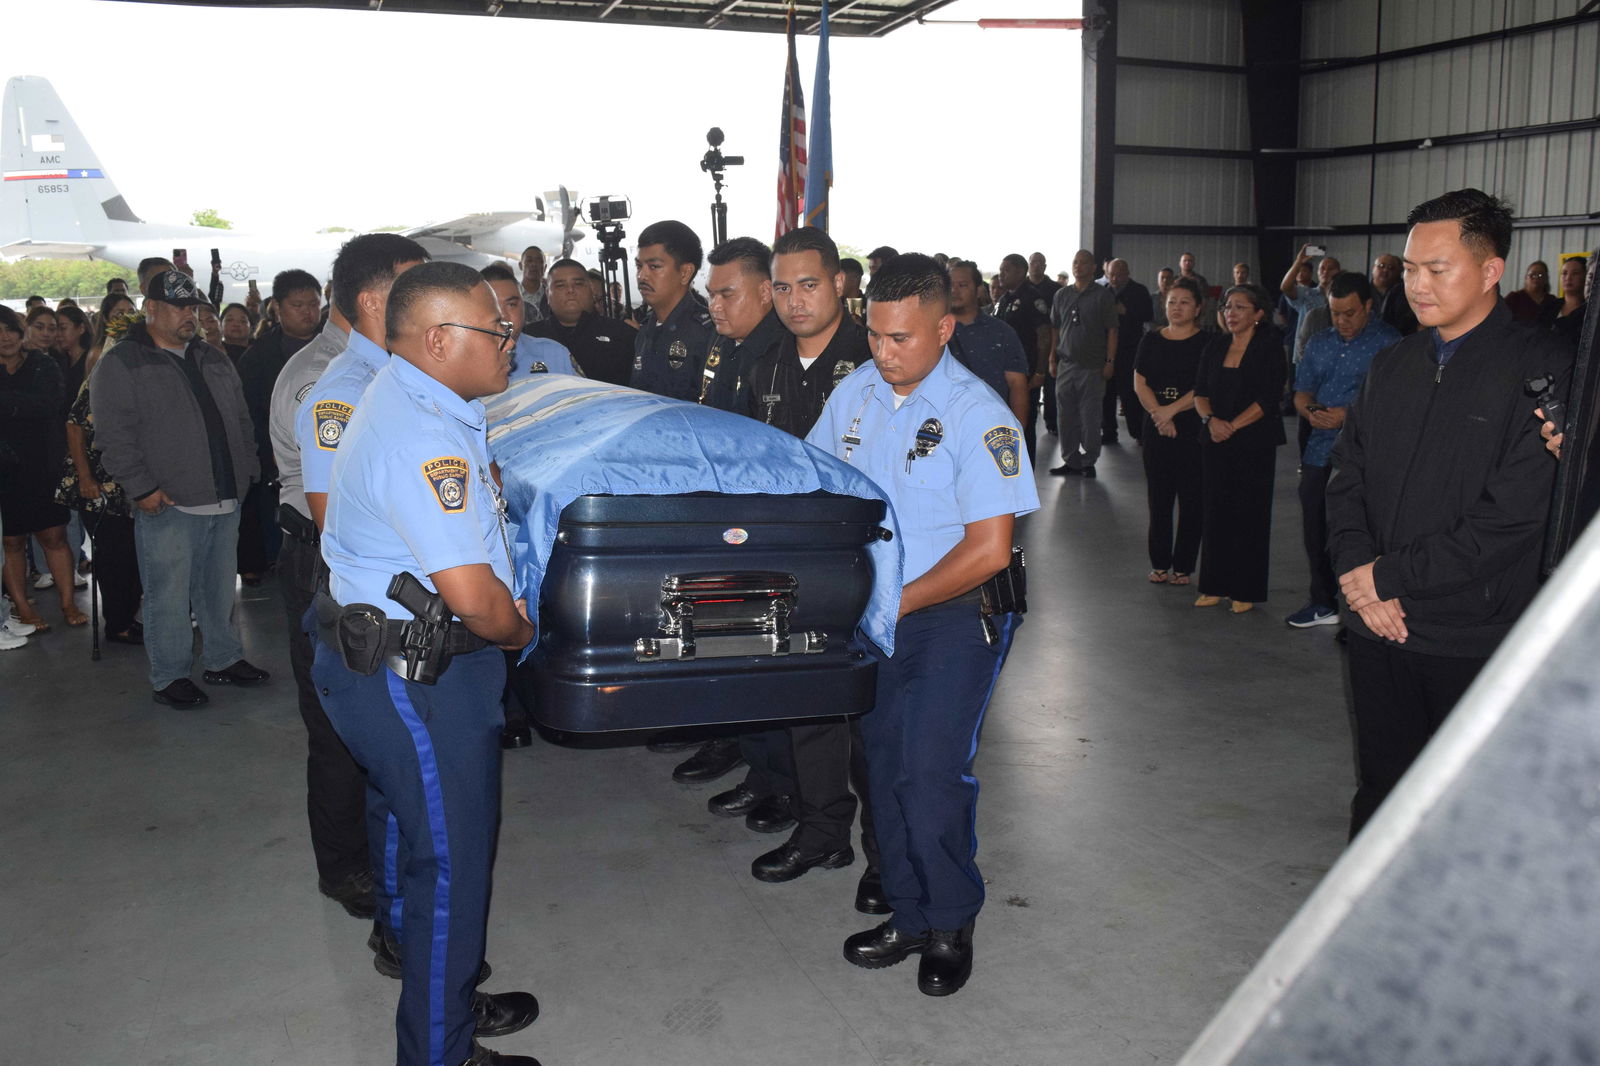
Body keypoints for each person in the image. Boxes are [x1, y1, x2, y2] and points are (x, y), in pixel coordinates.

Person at [312, 261, 541, 1066]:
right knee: (450, 868)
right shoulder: (422, 435)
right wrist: (520, 634)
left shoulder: (416, 398)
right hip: (419, 678)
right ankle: (441, 1052)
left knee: (419, 844)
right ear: (441, 340)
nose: (510, 339)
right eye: (495, 329)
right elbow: (477, 599)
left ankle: (440, 995)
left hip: (391, 663)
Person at [809, 253, 1038, 997]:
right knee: (880, 765)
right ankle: (908, 913)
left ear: (943, 329)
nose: (884, 351)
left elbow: (988, 550)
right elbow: (816, 481)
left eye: (901, 338)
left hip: (950, 614)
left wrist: (895, 600)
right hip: (878, 612)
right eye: (874, 334)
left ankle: (949, 921)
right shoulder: (856, 395)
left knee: (930, 771)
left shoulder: (980, 417)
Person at [1327, 188, 1564, 839]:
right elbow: (1346, 479)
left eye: (1438, 268)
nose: (1418, 285)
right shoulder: (1391, 365)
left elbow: (1514, 517)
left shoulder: (1541, 370)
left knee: (1467, 811)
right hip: (1377, 626)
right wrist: (1358, 573)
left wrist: (1389, 578)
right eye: (1409, 268)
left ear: (1491, 271)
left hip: (1470, 635)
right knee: (1382, 790)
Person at [732, 226, 881, 906]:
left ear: (841, 283)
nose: (795, 301)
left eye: (810, 285)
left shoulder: (879, 359)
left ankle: (888, 858)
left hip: (872, 562)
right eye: (784, 288)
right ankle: (824, 830)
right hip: (794, 564)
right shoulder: (765, 365)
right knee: (807, 706)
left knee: (879, 726)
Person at [93, 270, 269, 707]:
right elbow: (113, 436)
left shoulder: (212, 356)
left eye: (194, 308)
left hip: (225, 495)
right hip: (168, 501)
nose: (189, 316)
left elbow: (241, 419)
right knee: (167, 595)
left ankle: (222, 659)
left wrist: (246, 471)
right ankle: (169, 676)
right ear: (150, 308)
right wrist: (142, 488)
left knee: (216, 588)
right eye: (179, 307)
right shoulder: (123, 362)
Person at [268, 278, 377, 922]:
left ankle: (367, 851)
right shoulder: (325, 377)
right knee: (336, 721)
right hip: (325, 557)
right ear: (372, 296)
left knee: (364, 717)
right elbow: (336, 493)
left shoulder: (366, 365)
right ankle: (345, 868)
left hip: (342, 554)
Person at [1286, 272, 1399, 630]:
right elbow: (1301, 392)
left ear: (1368, 306)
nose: (1343, 321)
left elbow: (1397, 404)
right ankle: (1322, 601)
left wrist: (1346, 417)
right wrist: (1310, 412)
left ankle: (1360, 605)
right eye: (1336, 313)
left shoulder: (1391, 344)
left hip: (1369, 456)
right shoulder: (1320, 342)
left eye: (1350, 312)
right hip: (1319, 451)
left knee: (1361, 531)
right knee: (1315, 528)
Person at [297, 234, 430, 533]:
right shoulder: (346, 395)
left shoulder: (405, 373)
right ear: (371, 303)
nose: (430, 299)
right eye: (415, 288)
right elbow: (336, 523)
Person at [1192, 285, 1286, 614]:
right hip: (1215, 438)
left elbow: (1267, 398)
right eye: (1228, 307)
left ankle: (1245, 588)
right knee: (1215, 511)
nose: (1231, 313)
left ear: (1258, 314)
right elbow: (1200, 392)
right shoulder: (1215, 345)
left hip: (1254, 442)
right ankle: (1213, 585)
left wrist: (1231, 425)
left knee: (1249, 515)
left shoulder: (1270, 347)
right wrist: (1210, 421)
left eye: (1240, 308)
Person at [56, 314, 145, 645]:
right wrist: (84, 476)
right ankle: (118, 624)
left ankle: (128, 616)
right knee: (114, 558)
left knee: (134, 557)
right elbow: (74, 425)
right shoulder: (106, 374)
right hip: (100, 483)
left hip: (130, 482)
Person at [236, 271, 323, 586]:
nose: (307, 312)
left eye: (313, 304)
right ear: (277, 307)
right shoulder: (258, 357)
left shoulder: (337, 349)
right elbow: (249, 413)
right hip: (276, 457)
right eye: (298, 305)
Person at [1, 306, 80, 631]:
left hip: (42, 465)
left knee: (54, 537)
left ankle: (68, 603)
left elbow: (49, 404)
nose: (4, 338)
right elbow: (31, 405)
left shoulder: (42, 364)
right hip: (4, 470)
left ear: (21, 333)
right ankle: (23, 607)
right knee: (12, 543)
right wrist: (20, 403)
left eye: (9, 330)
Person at [1132, 278, 1207, 585]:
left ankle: (1184, 567)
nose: (1177, 308)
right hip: (1157, 429)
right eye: (1172, 302)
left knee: (1191, 500)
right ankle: (1160, 563)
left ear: (1198, 308)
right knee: (1159, 499)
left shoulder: (1207, 343)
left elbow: (1203, 387)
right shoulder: (1151, 339)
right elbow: (1140, 381)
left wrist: (1170, 411)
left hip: (1192, 428)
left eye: (1184, 302)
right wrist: (1158, 415)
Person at [1048, 249, 1118, 478]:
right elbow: (1055, 330)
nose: (1078, 266)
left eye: (1084, 262)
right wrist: (1052, 358)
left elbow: (1112, 331)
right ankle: (1071, 460)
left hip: (1093, 366)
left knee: (1090, 418)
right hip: (1066, 364)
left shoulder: (1103, 295)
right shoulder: (1061, 295)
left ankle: (1089, 460)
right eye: (1075, 262)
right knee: (1065, 417)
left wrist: (1109, 361)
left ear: (1093, 267)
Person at [630, 220, 716, 401]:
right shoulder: (645, 328)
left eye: (654, 267)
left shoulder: (708, 333)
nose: (641, 276)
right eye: (639, 266)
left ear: (685, 273)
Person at [701, 236, 786, 412]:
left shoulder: (787, 350)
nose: (714, 306)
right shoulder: (718, 338)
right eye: (711, 295)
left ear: (764, 292)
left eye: (727, 295)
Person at [526, 259, 636, 386]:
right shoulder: (529, 338)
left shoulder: (622, 334)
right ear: (547, 294)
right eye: (561, 285)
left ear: (591, 290)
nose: (570, 290)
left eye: (578, 284)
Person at [948, 261, 1030, 426]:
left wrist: (1016, 436)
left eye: (962, 285)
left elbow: (1017, 384)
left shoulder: (1002, 333)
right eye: (949, 285)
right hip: (942, 430)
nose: (954, 291)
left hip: (990, 428)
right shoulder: (931, 331)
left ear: (979, 290)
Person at [992, 253, 1053, 464]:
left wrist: (1040, 371)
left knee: (1023, 425)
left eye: (1006, 270)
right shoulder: (1003, 300)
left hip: (1025, 373)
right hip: (1001, 374)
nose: (1001, 274)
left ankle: (1025, 473)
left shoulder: (1032, 298)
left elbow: (1044, 336)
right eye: (1000, 269)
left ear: (1020, 271)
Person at [479, 264, 579, 380]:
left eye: (511, 305)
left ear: (523, 307)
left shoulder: (555, 355)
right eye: (491, 305)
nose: (503, 316)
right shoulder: (460, 363)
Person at [1102, 258, 1154, 443]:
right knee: (1106, 394)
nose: (1114, 278)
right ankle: (1109, 432)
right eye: (1111, 274)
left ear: (1127, 273)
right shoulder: (1104, 291)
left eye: (1118, 274)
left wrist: (1127, 312)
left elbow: (1148, 316)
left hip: (1130, 349)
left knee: (1130, 393)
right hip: (1107, 350)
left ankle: (1138, 432)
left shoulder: (1139, 291)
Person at [1027, 253, 1062, 435]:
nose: (1037, 266)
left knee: (1050, 388)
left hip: (1050, 343)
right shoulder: (1022, 287)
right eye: (1033, 262)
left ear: (1045, 266)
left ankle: (1052, 423)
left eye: (1040, 263)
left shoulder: (1055, 289)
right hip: (1027, 346)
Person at [1541, 254, 1588, 350]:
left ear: (1585, 277)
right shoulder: (1549, 306)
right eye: (1564, 273)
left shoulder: (1590, 311)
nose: (1568, 278)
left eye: (1575, 273)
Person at [1370, 253, 1418, 335]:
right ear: (1373, 268)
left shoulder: (1406, 293)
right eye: (1381, 266)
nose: (1385, 270)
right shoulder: (1363, 291)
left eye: (1391, 268)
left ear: (1399, 272)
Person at [518, 245, 548, 330]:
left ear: (545, 267)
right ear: (520, 265)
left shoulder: (552, 296)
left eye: (539, 261)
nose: (534, 264)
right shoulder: (512, 294)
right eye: (529, 260)